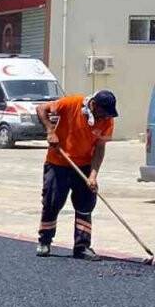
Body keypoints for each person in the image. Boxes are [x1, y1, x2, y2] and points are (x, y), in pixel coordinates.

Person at [35, 90, 118, 260]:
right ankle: (45, 241)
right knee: (52, 202)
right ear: (94, 105)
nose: (105, 118)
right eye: (103, 113)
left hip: (85, 165)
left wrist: (93, 175)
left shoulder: (107, 120)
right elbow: (41, 109)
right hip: (58, 162)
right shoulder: (71, 103)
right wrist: (51, 131)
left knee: (85, 204)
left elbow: (100, 149)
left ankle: (82, 247)